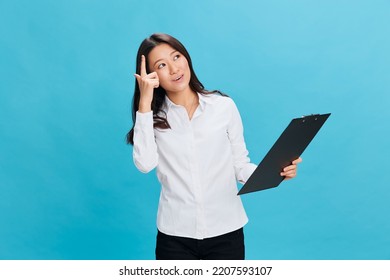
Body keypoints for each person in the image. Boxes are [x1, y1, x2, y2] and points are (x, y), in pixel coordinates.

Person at [126, 33, 302, 260]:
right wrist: (144, 102)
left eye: (176, 57)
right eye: (161, 65)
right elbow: (144, 163)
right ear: (151, 76)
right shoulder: (152, 119)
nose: (174, 69)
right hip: (175, 236)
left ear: (186, 58)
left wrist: (276, 172)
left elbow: (240, 165)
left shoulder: (223, 107)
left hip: (226, 232)